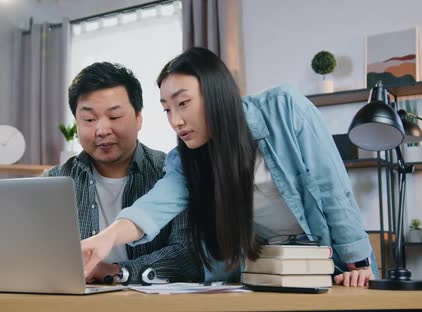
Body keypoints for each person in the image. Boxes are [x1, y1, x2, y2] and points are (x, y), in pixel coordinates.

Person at [81, 48, 377, 287]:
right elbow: (155, 206)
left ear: (216, 93)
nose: (176, 121)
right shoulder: (186, 159)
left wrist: (358, 264)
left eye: (183, 103)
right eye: (167, 109)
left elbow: (332, 188)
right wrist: (106, 238)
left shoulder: (284, 109)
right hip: (264, 269)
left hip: (330, 260)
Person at [44, 62, 202, 283]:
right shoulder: (53, 183)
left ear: (139, 118)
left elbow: (188, 256)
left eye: (115, 117)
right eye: (89, 120)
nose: (102, 130)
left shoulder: (171, 173)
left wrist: (116, 271)